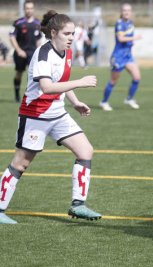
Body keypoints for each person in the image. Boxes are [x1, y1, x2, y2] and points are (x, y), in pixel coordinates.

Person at [0, 10, 101, 224]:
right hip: (35, 115)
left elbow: (62, 81)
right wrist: (80, 82)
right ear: (53, 32)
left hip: (58, 114)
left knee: (85, 150)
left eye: (73, 33)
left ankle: (78, 205)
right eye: (67, 34)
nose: (71, 38)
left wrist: (75, 103)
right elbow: (47, 87)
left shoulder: (68, 52)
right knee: (20, 164)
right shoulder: (42, 54)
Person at [99, 3, 142, 111]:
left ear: (131, 12)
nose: (126, 12)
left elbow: (127, 39)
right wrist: (134, 38)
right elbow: (121, 39)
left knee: (136, 78)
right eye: (124, 10)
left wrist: (131, 42)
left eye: (128, 10)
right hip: (118, 57)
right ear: (121, 12)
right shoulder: (119, 23)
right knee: (113, 81)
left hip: (128, 57)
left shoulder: (131, 23)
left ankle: (129, 99)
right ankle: (103, 102)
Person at [9, 1, 42, 103]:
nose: (29, 10)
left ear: (34, 9)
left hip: (32, 53)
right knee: (19, 73)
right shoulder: (18, 23)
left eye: (31, 8)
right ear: (24, 9)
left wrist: (39, 51)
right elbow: (12, 37)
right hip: (20, 52)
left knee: (33, 75)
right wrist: (19, 50)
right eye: (27, 8)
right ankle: (17, 95)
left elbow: (39, 40)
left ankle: (31, 96)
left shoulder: (38, 23)